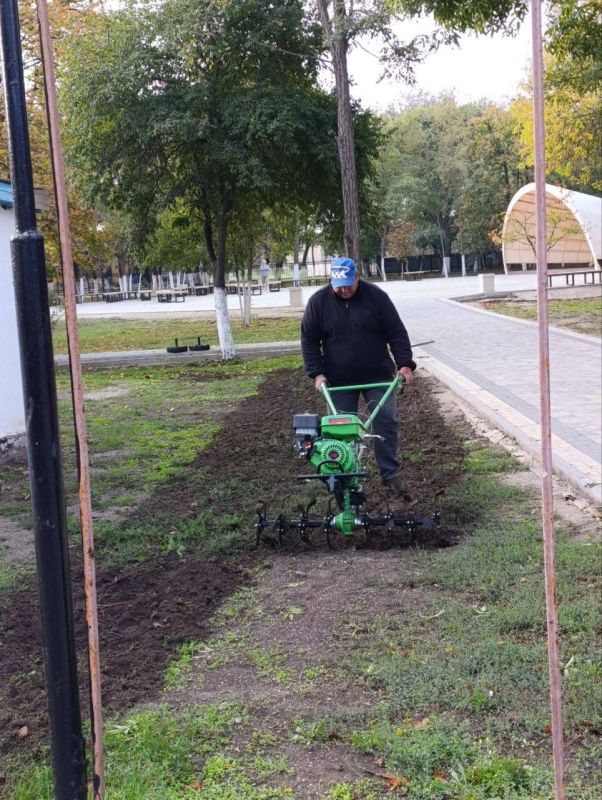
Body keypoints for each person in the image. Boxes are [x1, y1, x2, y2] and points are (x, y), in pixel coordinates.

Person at [300, 257, 415, 491]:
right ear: (331, 280)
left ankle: (389, 473)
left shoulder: (377, 298)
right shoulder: (318, 302)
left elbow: (396, 332)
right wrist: (317, 374)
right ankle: (343, 473)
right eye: (339, 284)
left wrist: (405, 364)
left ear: (357, 278)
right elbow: (309, 341)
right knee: (338, 429)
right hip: (338, 379)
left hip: (377, 374)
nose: (343, 289)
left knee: (385, 421)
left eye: (348, 284)